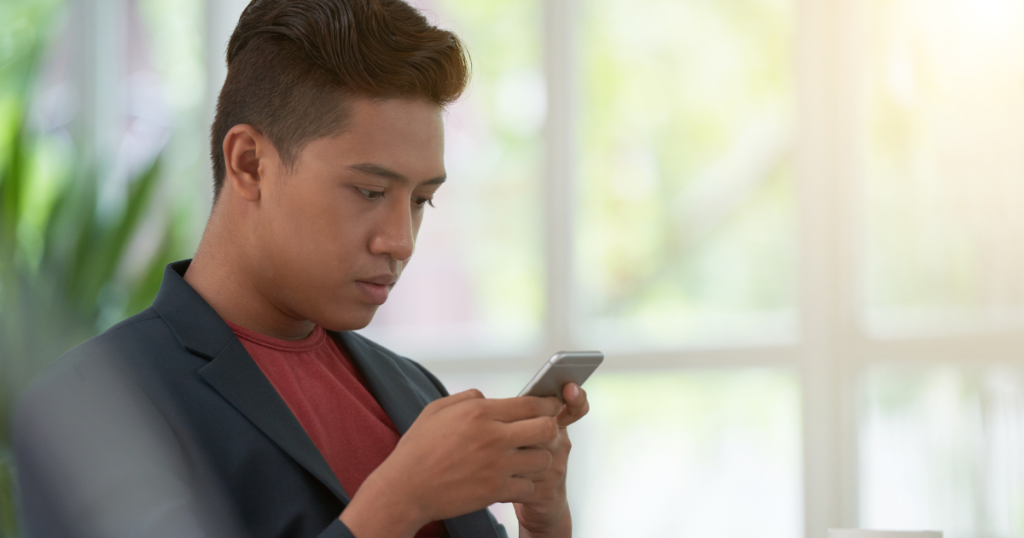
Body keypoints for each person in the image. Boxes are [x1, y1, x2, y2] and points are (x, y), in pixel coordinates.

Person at [13, 1, 591, 537]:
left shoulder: (413, 391)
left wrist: (545, 521)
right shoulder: (86, 405)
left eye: (420, 200)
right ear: (249, 163)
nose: (401, 240)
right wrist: (398, 501)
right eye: (368, 191)